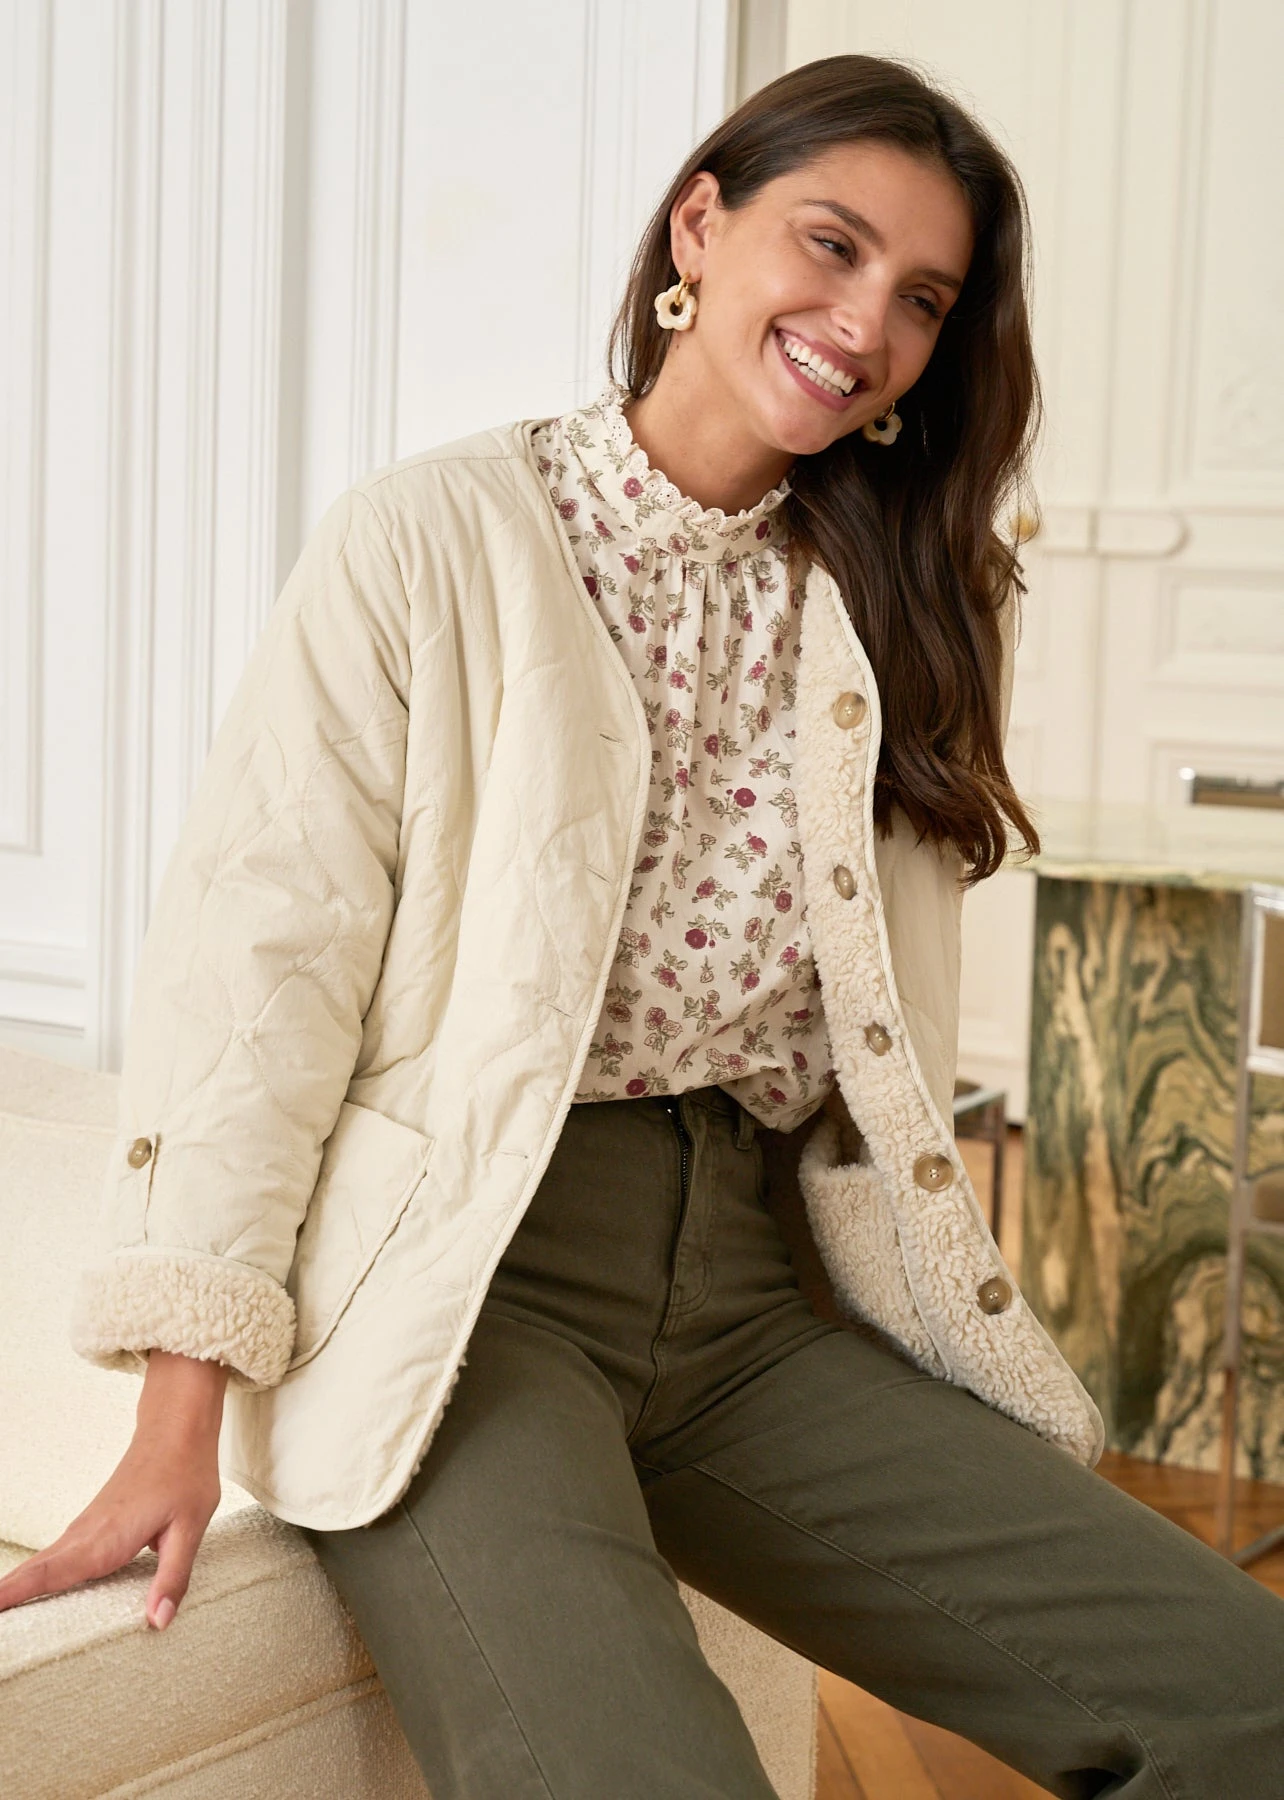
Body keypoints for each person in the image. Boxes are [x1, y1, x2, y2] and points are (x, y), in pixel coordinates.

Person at [3, 53, 1282, 1800]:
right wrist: (178, 1413)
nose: (867, 324)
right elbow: (257, 984)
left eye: (924, 298)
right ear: (700, 225)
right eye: (830, 244)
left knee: (1246, 1695)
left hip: (755, 1296)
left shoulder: (915, 602)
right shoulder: (432, 542)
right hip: (471, 1296)